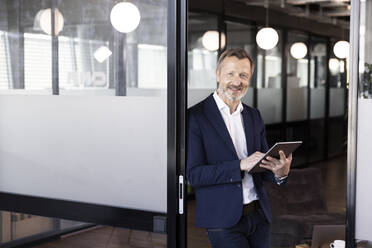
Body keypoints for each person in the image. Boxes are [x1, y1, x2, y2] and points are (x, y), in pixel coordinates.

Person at [186, 48, 293, 248]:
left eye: (243, 75)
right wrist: (240, 165)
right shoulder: (196, 117)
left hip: (259, 216)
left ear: (250, 78)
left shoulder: (254, 116)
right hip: (222, 220)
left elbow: (262, 165)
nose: (237, 81)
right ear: (217, 74)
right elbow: (194, 175)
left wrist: (280, 172)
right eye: (230, 74)